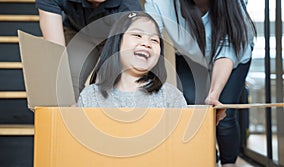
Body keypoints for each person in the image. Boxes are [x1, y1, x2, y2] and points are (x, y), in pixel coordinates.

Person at [144, 0, 256, 166]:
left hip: (233, 57)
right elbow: (148, 38)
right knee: (194, 112)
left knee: (223, 114)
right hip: (191, 57)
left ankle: (228, 162)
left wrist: (214, 94)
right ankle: (209, 158)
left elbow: (227, 50)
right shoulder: (159, 3)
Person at [77, 12, 187, 108]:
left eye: (154, 40)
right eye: (137, 35)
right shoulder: (90, 96)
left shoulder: (171, 97)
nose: (146, 43)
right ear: (118, 42)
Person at [35, 0, 143, 98]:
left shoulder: (129, 6)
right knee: (69, 81)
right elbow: (55, 53)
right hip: (79, 32)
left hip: (113, 37)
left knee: (117, 81)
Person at [35, 0, 142, 46]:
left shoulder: (129, 6)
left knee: (114, 79)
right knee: (69, 78)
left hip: (111, 38)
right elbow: (55, 52)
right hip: (77, 31)